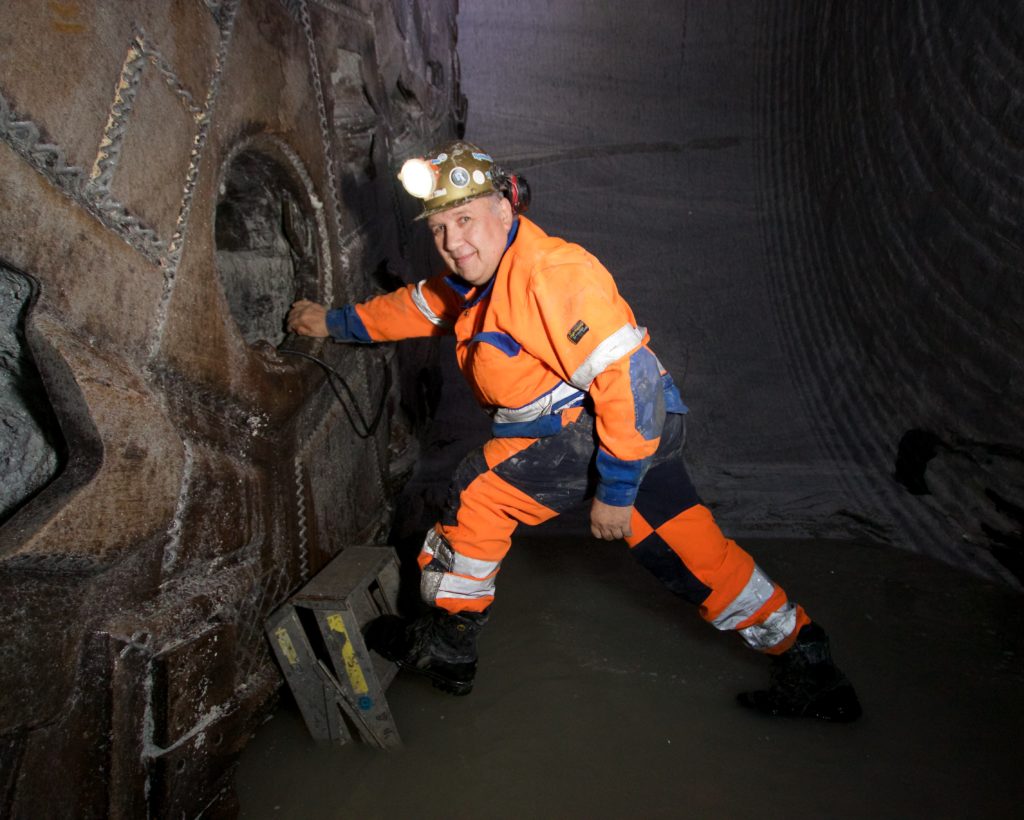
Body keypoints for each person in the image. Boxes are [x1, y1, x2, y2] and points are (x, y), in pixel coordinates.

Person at [286, 140, 861, 722]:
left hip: (608, 430)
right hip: (623, 433)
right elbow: (417, 307)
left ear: (506, 213)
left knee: (478, 492)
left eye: (464, 220)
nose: (454, 242)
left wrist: (615, 491)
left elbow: (628, 377)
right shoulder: (473, 279)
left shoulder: (549, 272)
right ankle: (808, 658)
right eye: (438, 228)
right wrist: (333, 324)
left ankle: (450, 646)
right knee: (695, 556)